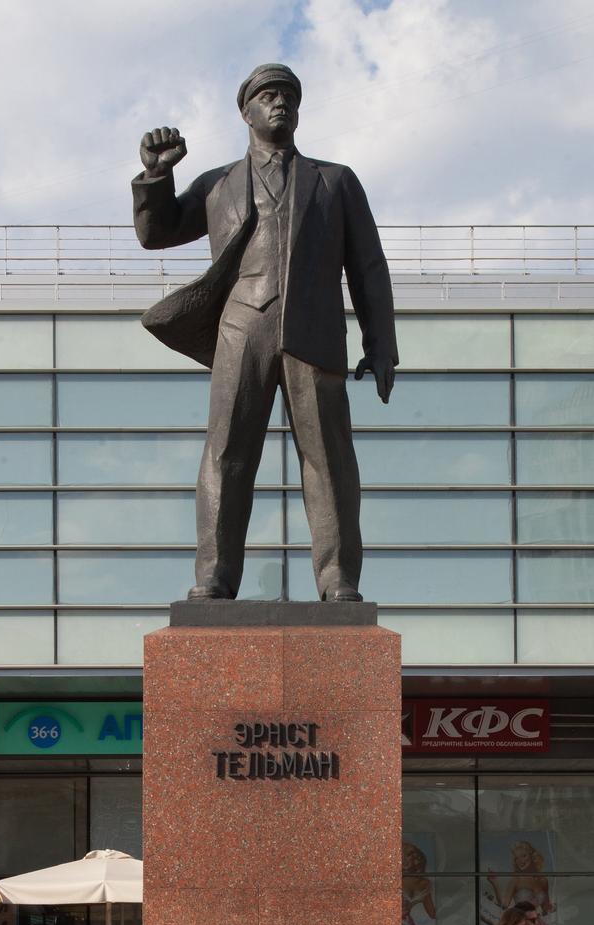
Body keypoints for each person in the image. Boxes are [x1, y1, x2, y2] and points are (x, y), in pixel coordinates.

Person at [133, 63, 398, 602]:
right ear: (246, 111)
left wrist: (381, 343)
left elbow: (368, 266)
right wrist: (156, 177)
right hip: (241, 328)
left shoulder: (335, 181)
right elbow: (156, 233)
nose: (280, 103)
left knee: (329, 460)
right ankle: (215, 574)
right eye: (268, 95)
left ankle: (338, 577)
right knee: (226, 453)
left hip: (314, 331)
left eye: (288, 97)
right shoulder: (217, 184)